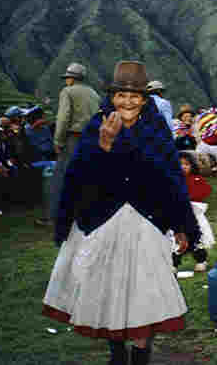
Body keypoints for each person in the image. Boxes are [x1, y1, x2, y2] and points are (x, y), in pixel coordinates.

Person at [43, 60, 199, 365]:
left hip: (147, 221)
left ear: (144, 99)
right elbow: (78, 176)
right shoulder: (96, 126)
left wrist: (182, 225)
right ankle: (116, 355)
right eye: (121, 95)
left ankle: (141, 355)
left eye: (135, 96)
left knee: (144, 292)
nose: (127, 102)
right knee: (108, 288)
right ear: (112, 97)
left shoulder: (156, 131)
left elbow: (171, 180)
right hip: (104, 219)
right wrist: (104, 144)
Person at [52, 62, 101, 224]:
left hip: (74, 138)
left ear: (72, 79)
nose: (66, 81)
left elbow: (63, 117)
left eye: (67, 78)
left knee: (63, 175)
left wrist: (58, 140)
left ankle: (59, 216)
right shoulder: (94, 94)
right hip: (92, 138)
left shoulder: (68, 92)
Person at [172, 152, 213, 273]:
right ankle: (174, 263)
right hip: (177, 216)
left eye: (186, 164)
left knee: (196, 239)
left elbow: (205, 191)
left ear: (192, 166)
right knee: (176, 241)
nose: (183, 167)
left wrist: (189, 198)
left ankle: (201, 261)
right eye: (180, 164)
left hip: (194, 215)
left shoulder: (197, 179)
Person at [23, 105, 57, 224]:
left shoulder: (45, 129)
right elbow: (28, 150)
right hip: (34, 161)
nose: (44, 120)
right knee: (52, 167)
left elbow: (51, 146)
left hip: (48, 159)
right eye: (42, 118)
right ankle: (48, 212)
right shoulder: (27, 131)